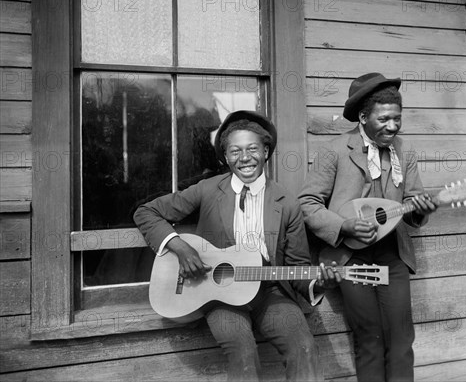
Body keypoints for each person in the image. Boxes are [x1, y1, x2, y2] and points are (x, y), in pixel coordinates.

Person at [134, 110, 341, 382]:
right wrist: (181, 248)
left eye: (252, 149)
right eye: (235, 151)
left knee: (304, 347)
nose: (244, 158)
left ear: (266, 152)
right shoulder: (208, 189)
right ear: (226, 156)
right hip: (219, 294)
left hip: (271, 290)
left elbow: (298, 266)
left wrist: (319, 283)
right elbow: (146, 212)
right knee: (242, 354)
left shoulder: (286, 202)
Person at [298, 73, 437, 382]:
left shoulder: (403, 151)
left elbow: (412, 203)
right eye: (384, 118)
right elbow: (307, 203)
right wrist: (345, 226)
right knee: (369, 338)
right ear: (363, 117)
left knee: (401, 338)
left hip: (392, 255)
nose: (393, 126)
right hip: (349, 258)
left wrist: (422, 210)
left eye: (397, 119)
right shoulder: (335, 150)